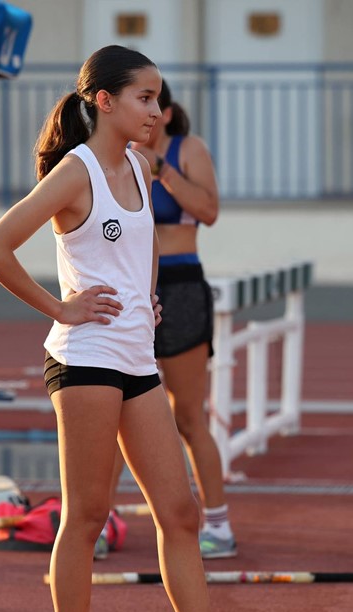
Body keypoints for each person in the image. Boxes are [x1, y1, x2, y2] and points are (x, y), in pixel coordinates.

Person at [0, 45, 222, 612]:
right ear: (104, 101)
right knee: (86, 516)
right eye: (145, 97)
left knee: (180, 513)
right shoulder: (75, 171)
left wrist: (147, 298)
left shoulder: (140, 165)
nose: (157, 111)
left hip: (137, 358)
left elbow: (147, 242)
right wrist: (60, 307)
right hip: (85, 360)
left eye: (159, 98)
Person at [112, 82, 236, 559]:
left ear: (165, 113)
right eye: (138, 101)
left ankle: (219, 526)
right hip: (130, 289)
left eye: (152, 103)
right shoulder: (115, 155)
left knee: (187, 416)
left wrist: (161, 169)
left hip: (181, 287)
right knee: (114, 414)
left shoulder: (188, 149)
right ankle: (95, 522)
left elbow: (208, 211)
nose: (145, 113)